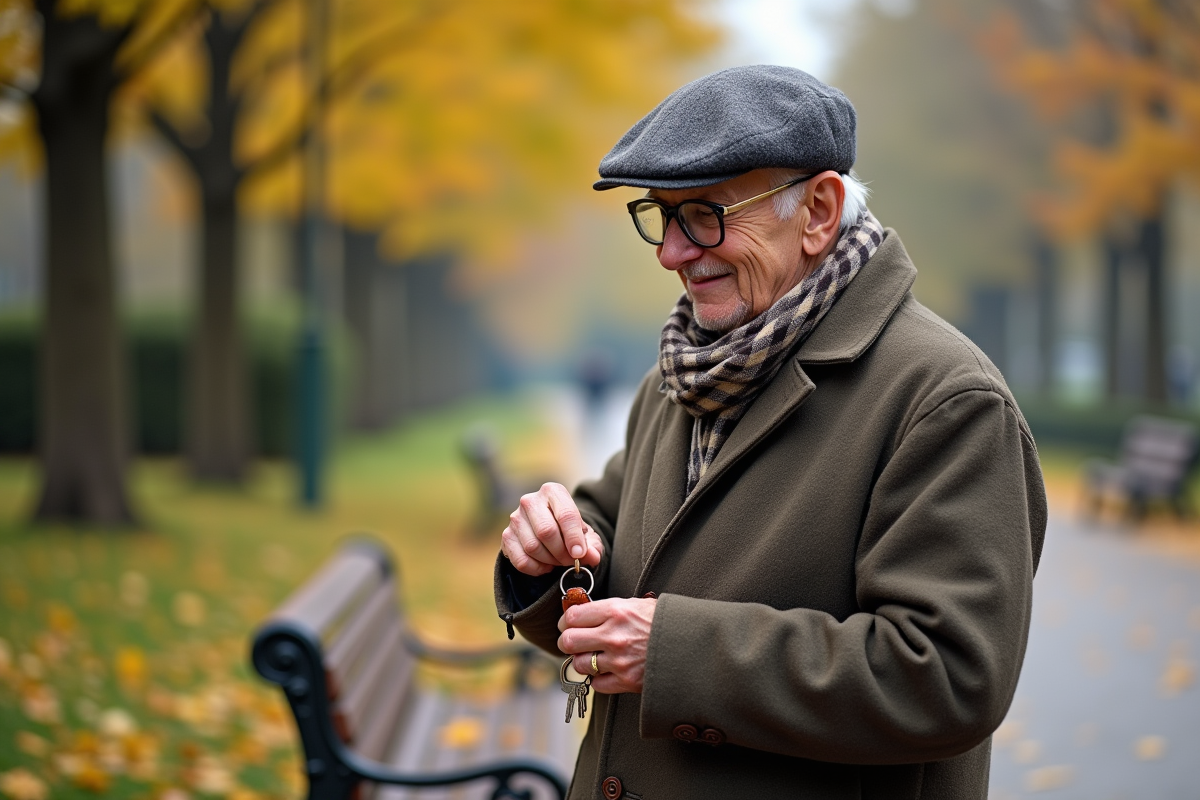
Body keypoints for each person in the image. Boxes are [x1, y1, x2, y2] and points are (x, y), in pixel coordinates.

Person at [494, 65, 1046, 800]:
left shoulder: (946, 400)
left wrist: (677, 654)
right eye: (662, 216)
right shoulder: (680, 376)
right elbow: (618, 538)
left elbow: (948, 676)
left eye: (705, 215)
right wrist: (553, 554)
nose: (671, 252)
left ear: (818, 210)